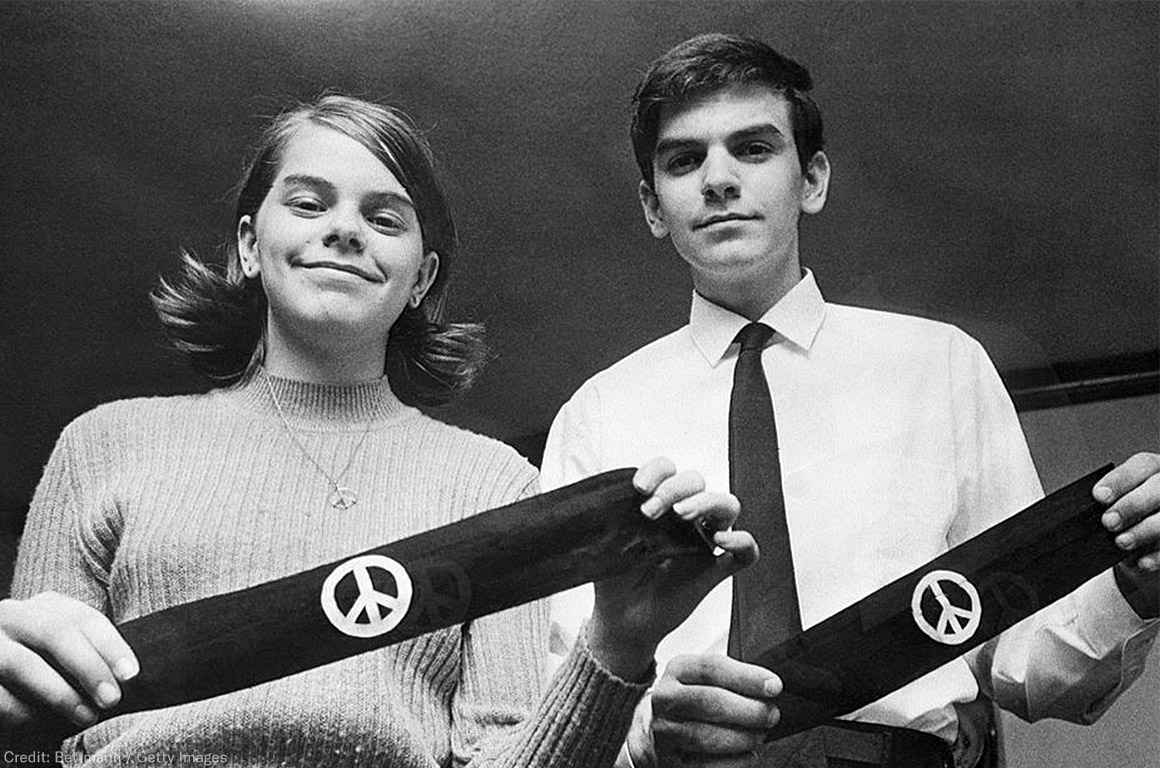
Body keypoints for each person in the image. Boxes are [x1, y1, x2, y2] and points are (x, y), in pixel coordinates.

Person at [1, 94, 758, 766]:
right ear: (246, 246)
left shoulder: (492, 483)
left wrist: (617, 644)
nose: (344, 231)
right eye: (307, 204)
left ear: (421, 277)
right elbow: (28, 739)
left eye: (384, 217)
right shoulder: (104, 445)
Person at [542, 33, 1160, 768]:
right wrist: (646, 733)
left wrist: (1132, 587)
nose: (718, 179)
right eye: (684, 160)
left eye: (753, 148)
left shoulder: (942, 367)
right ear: (653, 205)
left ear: (812, 181)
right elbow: (566, 686)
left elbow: (1024, 660)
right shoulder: (597, 414)